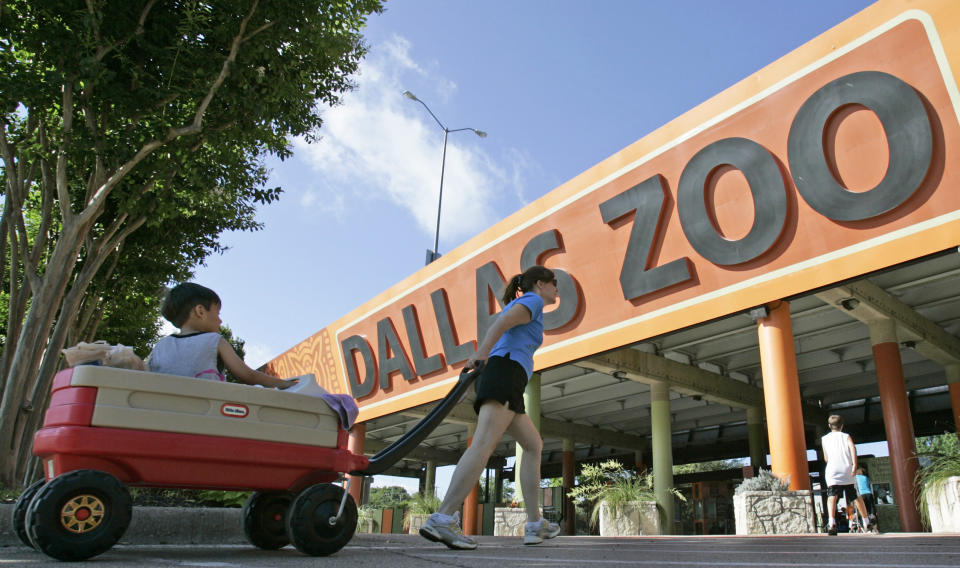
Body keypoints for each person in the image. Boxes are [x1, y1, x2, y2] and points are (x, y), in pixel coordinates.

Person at [420, 265, 561, 549]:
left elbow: (503, 337)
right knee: (483, 445)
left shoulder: (530, 304)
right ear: (541, 284)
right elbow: (501, 323)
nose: (557, 288)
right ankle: (443, 517)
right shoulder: (532, 300)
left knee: (533, 445)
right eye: (554, 283)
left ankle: (534, 523)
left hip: (507, 377)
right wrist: (480, 355)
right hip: (506, 373)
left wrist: (475, 382)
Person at [148, 283, 294, 389]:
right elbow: (248, 376)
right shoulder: (214, 341)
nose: (220, 320)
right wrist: (286, 384)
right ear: (200, 311)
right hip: (206, 412)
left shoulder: (160, 346)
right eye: (217, 313)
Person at [821, 414, 872, 535]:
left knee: (832, 496)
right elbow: (853, 449)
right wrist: (854, 464)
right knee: (855, 496)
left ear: (829, 426)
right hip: (847, 469)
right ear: (842, 425)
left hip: (832, 470)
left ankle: (832, 523)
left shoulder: (824, 439)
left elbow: (826, 458)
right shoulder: (846, 436)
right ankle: (866, 522)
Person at [855, 466, 879, 533]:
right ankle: (875, 529)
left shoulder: (855, 477)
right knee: (872, 512)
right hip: (869, 494)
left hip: (861, 495)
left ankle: (866, 529)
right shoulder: (866, 477)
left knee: (863, 513)